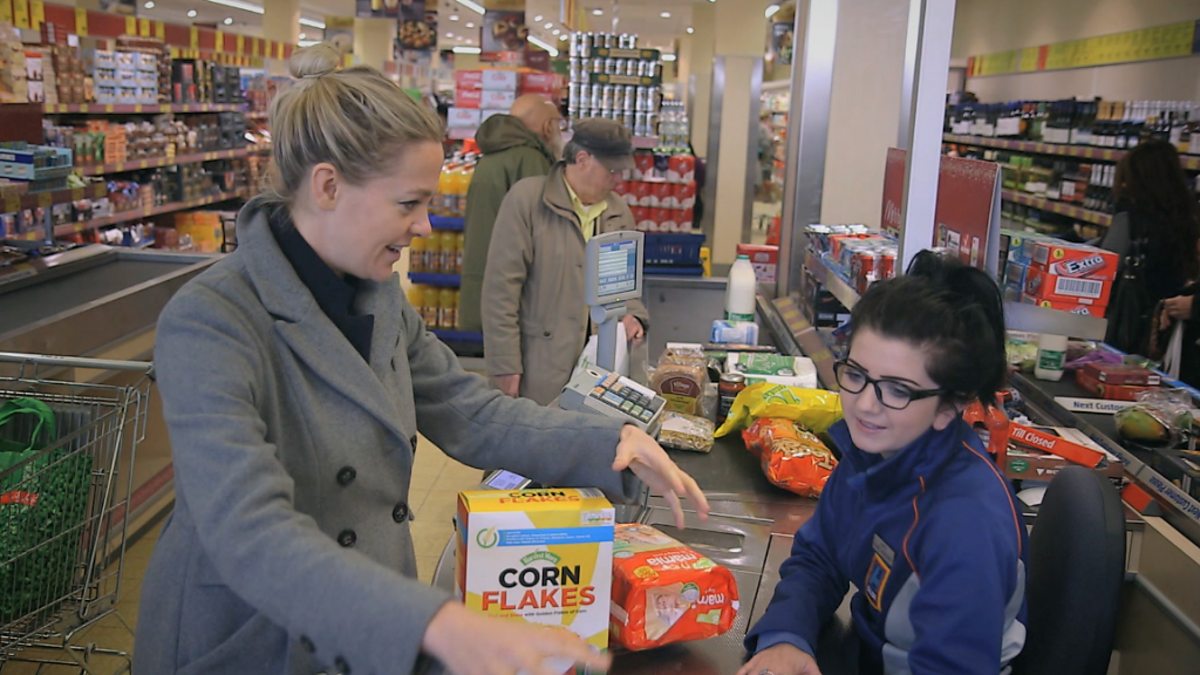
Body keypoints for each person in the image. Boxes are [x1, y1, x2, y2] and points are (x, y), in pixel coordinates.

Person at [133, 44, 708, 675]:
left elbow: (470, 411)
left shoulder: (376, 297)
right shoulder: (211, 321)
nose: (426, 226)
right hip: (257, 640)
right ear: (328, 186)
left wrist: (610, 442)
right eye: (408, 204)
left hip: (372, 624)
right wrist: (431, 623)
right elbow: (247, 529)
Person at [740, 251, 1029, 675]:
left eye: (897, 390)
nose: (864, 405)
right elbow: (819, 557)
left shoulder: (966, 524)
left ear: (950, 406)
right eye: (856, 375)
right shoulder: (874, 454)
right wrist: (787, 635)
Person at [482, 118, 649, 405]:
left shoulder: (618, 211)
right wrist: (504, 363)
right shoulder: (527, 201)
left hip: (599, 368)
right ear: (582, 159)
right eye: (612, 170)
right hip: (538, 366)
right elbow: (500, 291)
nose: (618, 179)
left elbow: (624, 286)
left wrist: (633, 316)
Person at [459, 95, 566, 334]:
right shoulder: (531, 160)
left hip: (482, 286)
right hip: (514, 298)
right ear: (548, 127)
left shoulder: (491, 156)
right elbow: (544, 232)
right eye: (558, 124)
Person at [1100, 139, 1200, 384]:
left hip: (1133, 324)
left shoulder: (1131, 215)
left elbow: (1106, 262)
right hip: (1172, 328)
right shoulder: (1189, 216)